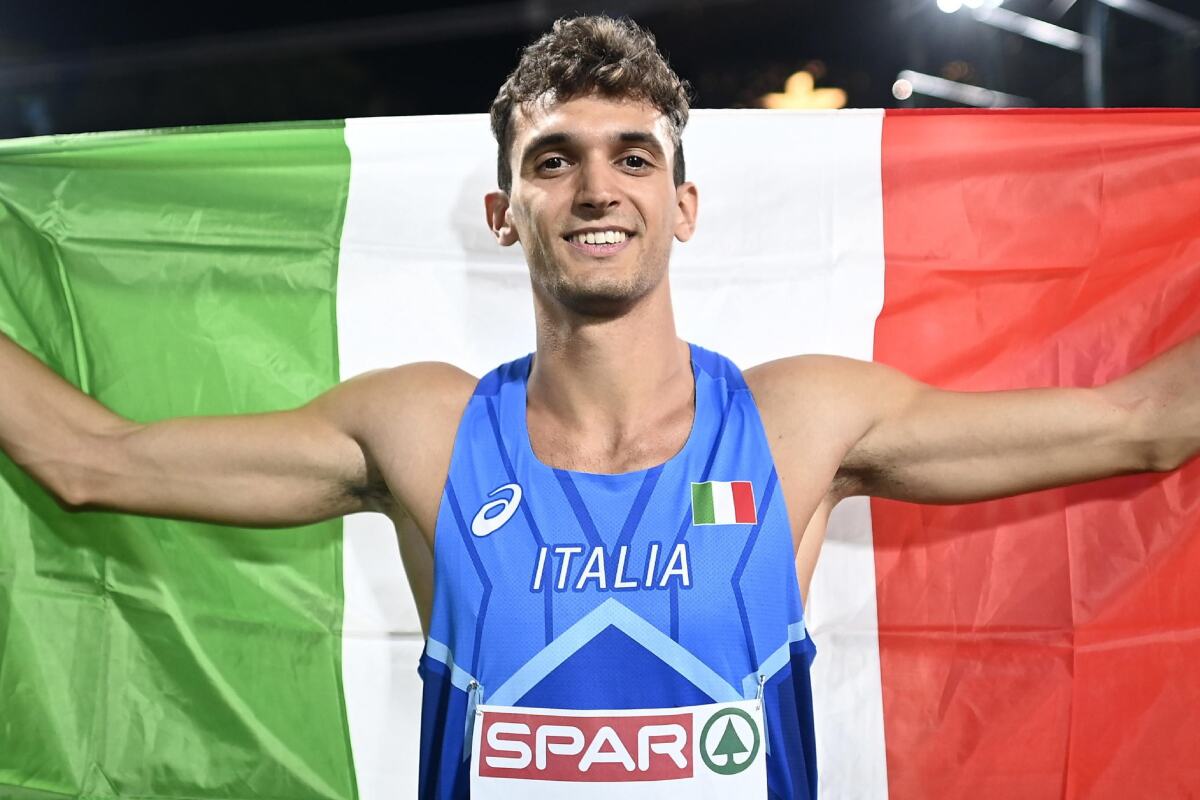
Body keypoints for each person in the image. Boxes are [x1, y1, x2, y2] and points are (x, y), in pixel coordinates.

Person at [0, 14, 1197, 800]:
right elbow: (92, 458)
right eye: (553, 158)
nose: (594, 187)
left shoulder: (797, 423)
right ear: (503, 212)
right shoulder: (424, 432)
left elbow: (1140, 420)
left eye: (633, 156)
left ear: (683, 205)